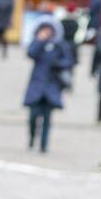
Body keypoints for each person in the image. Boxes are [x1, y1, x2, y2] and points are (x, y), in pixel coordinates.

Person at [23, 18, 72, 154]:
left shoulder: (60, 45)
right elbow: (30, 54)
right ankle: (32, 137)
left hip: (51, 86)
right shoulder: (37, 43)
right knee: (33, 116)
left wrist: (56, 63)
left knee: (47, 118)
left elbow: (68, 61)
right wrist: (40, 40)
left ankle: (43, 145)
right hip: (37, 86)